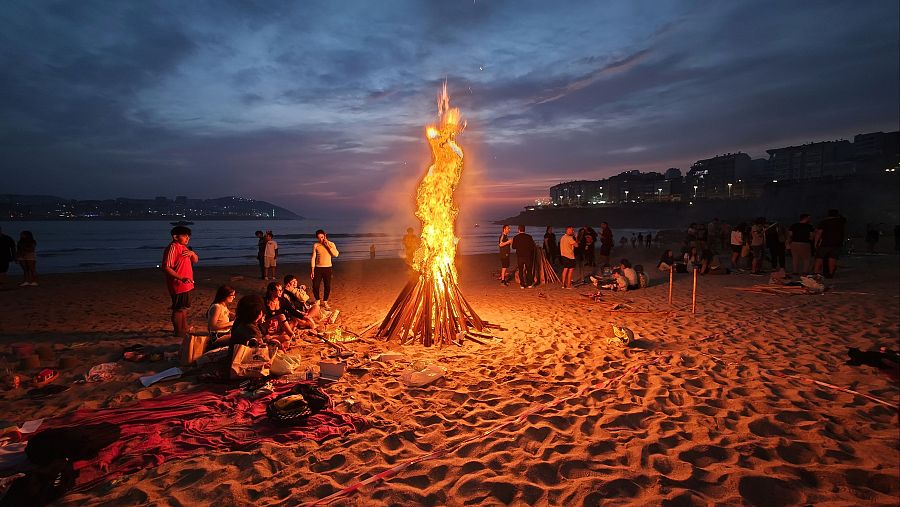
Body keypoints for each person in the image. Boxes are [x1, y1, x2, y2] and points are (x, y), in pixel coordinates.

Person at [162, 226, 198, 338]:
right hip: (178, 284)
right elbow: (166, 267)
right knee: (178, 309)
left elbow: (196, 260)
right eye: (185, 236)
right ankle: (179, 332)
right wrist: (181, 278)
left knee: (184, 308)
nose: (187, 238)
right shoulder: (173, 247)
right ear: (175, 237)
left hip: (187, 284)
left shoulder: (184, 248)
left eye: (188, 236)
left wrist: (192, 253)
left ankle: (184, 328)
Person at [311, 229, 339, 309]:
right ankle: (317, 300)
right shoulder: (316, 245)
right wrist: (312, 270)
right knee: (315, 286)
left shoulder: (331, 244)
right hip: (318, 268)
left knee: (327, 286)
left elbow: (336, 254)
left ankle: (325, 301)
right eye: (319, 238)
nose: (321, 239)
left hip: (328, 268)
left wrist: (327, 245)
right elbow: (313, 257)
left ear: (325, 236)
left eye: (322, 237)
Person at [263, 282, 298, 346]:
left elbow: (292, 310)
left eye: (281, 290)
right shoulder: (264, 302)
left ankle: (281, 336)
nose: (281, 292)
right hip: (269, 326)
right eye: (278, 290)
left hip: (279, 326)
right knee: (281, 316)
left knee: (294, 320)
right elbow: (260, 319)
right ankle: (291, 335)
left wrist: (304, 316)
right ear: (271, 291)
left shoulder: (282, 300)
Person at [814, 209, 847, 278]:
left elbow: (819, 232)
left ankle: (816, 272)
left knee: (820, 257)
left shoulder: (824, 222)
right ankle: (830, 273)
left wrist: (816, 242)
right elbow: (844, 218)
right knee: (833, 258)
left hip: (826, 242)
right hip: (837, 242)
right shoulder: (841, 222)